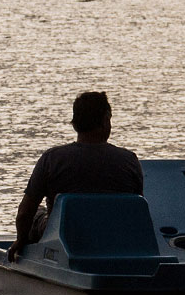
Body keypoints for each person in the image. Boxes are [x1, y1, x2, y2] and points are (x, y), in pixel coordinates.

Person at [8, 91, 144, 261]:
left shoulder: (52, 159)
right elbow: (137, 212)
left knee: (37, 214)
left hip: (62, 237)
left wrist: (21, 240)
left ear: (75, 124)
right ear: (105, 121)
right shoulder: (129, 161)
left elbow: (25, 213)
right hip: (113, 236)